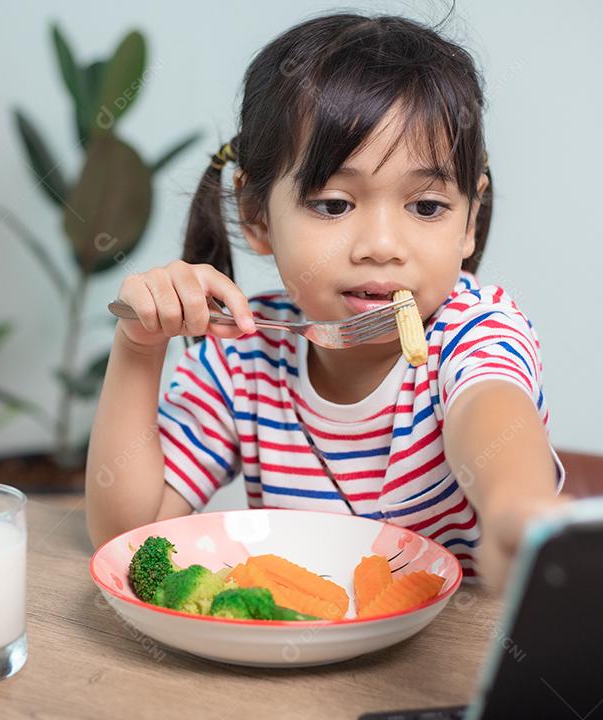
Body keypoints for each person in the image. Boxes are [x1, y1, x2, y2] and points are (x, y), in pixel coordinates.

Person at [86, 12, 570, 589]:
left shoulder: (476, 328)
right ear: (258, 214)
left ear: (470, 219)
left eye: (427, 207)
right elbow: (129, 534)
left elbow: (491, 413)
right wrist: (139, 348)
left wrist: (517, 508)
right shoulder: (245, 354)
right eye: (335, 204)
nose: (383, 246)